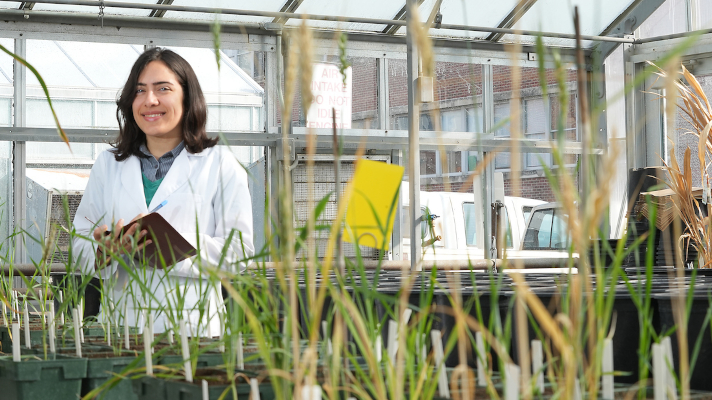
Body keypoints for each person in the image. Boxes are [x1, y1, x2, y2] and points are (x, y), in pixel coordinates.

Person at [73, 48, 254, 335]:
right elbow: (79, 241)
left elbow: (239, 252)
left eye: (163, 89)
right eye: (139, 90)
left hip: (192, 327)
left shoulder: (220, 164)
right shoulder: (108, 165)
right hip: (122, 324)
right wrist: (104, 252)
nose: (150, 100)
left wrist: (170, 247)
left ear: (187, 96)